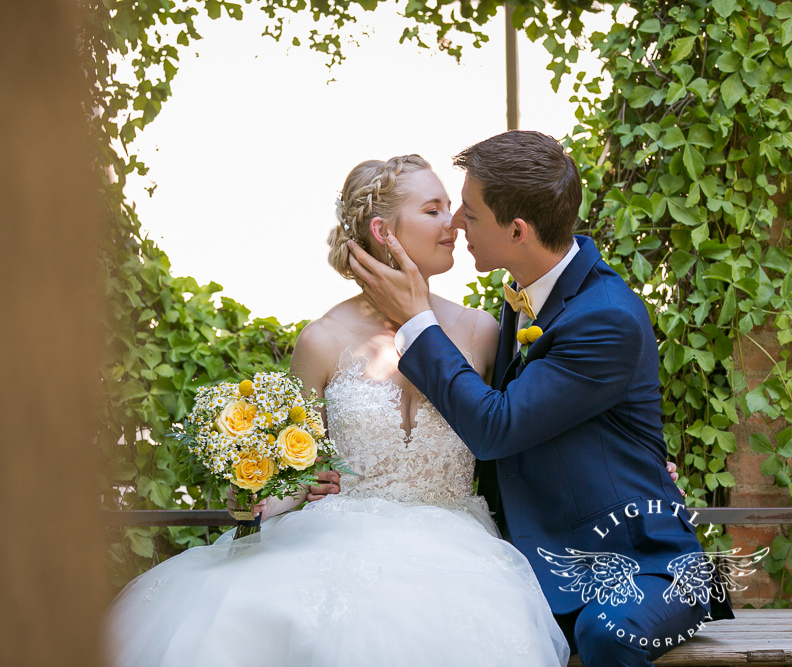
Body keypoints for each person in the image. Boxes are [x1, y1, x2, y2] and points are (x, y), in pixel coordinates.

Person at [104, 155, 570, 667]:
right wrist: (258, 496)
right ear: (383, 231)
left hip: (463, 553)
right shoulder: (322, 340)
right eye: (433, 210)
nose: (453, 223)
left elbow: (509, 431)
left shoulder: (482, 331)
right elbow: (297, 474)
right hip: (338, 540)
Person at [346, 131, 734, 667]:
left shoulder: (606, 316)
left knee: (606, 632)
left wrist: (417, 319)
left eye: (470, 213)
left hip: (641, 563)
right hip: (540, 559)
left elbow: (495, 427)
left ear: (517, 231)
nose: (457, 222)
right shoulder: (523, 293)